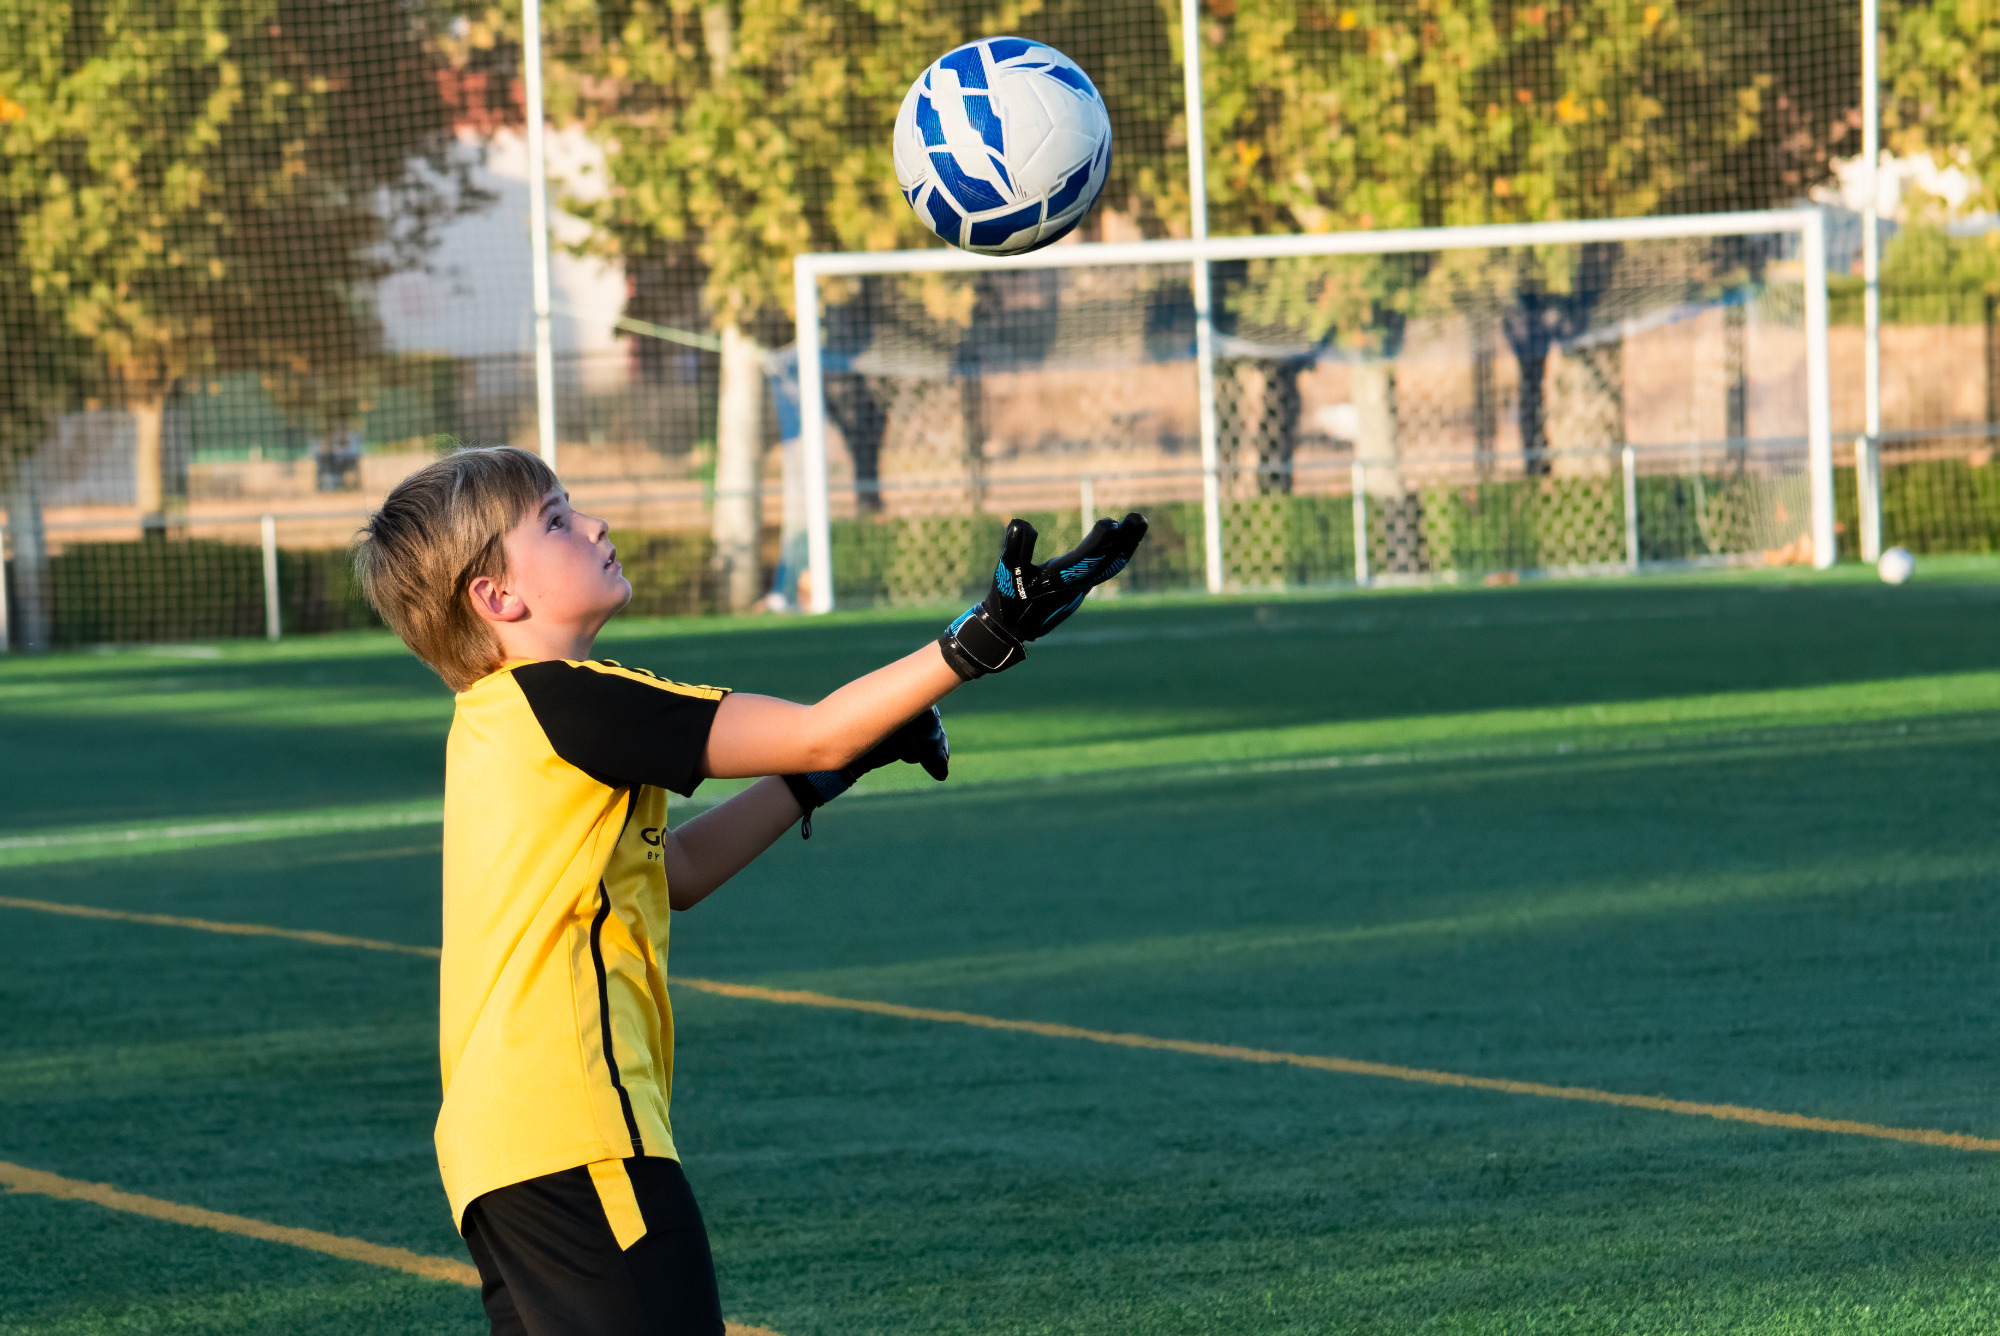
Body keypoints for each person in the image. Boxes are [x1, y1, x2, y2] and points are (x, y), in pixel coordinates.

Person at [352, 445, 1145, 1336]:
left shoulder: (504, 722)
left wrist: (830, 775)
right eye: (557, 520)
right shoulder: (568, 699)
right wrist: (985, 632)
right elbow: (817, 730)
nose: (595, 525)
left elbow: (677, 872)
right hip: (574, 1136)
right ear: (497, 596)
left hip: (505, 1155)